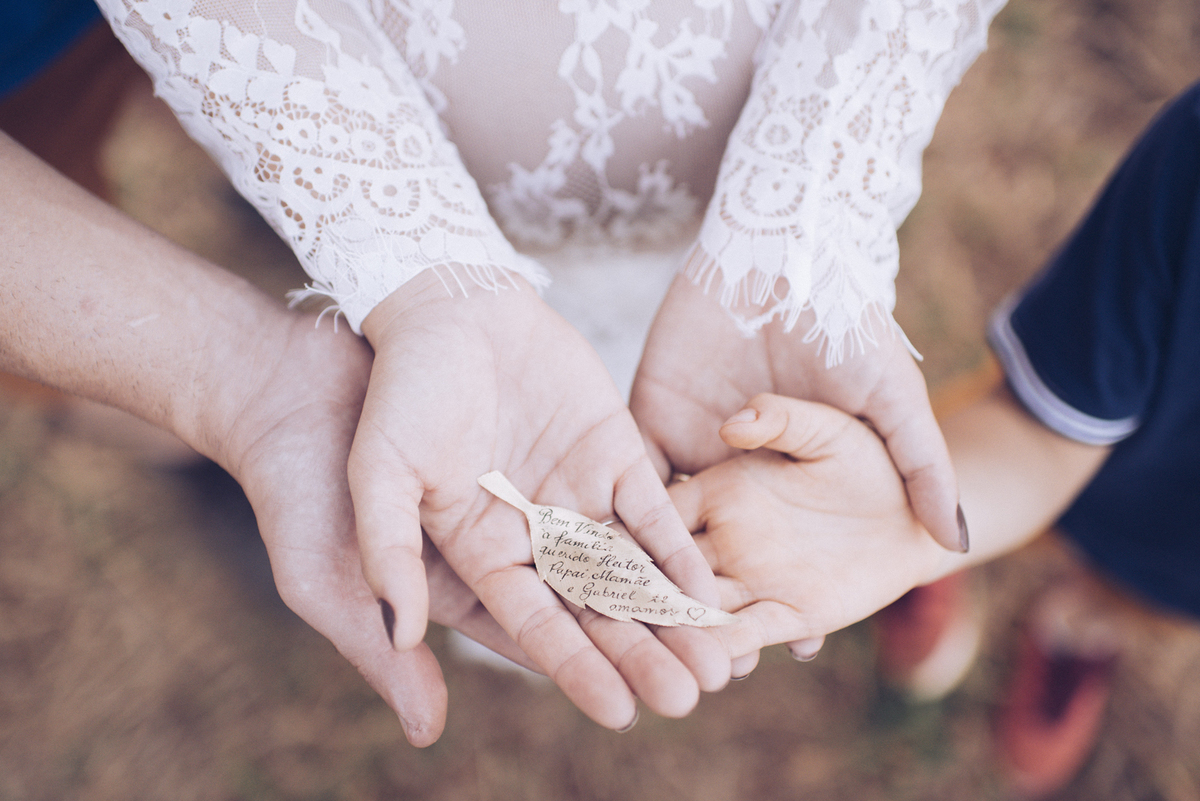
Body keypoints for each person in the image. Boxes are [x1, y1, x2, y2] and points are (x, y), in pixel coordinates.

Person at [670, 79, 1200, 797]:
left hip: (1180, 564)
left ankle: (1082, 623)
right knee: (954, 481)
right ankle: (936, 551)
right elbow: (1045, 429)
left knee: (1141, 591)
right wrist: (901, 526)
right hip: (1079, 453)